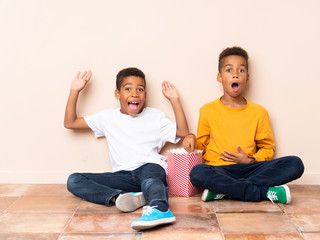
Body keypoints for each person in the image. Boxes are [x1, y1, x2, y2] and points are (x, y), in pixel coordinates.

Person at [64, 67, 189, 230]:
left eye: (140, 89)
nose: (135, 94)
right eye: (128, 89)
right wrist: (74, 91)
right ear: (117, 94)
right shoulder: (107, 117)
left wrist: (175, 100)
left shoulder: (155, 116)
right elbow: (70, 122)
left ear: (145, 95)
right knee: (74, 180)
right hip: (123, 176)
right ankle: (121, 198)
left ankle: (160, 208)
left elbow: (183, 132)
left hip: (149, 167)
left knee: (152, 179)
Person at [183, 46, 304, 204]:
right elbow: (201, 147)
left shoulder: (259, 112)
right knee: (197, 173)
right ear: (219, 77)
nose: (235, 74)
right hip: (220, 169)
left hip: (251, 169)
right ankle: (263, 192)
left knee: (295, 163)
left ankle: (224, 190)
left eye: (241, 70)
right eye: (229, 70)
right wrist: (190, 136)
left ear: (247, 77)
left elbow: (268, 148)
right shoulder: (207, 110)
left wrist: (249, 160)